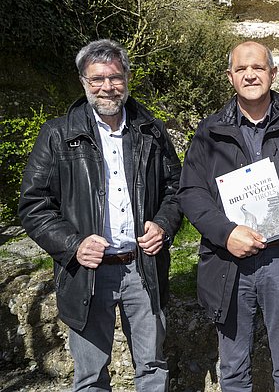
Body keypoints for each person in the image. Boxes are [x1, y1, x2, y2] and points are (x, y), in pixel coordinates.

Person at [178, 41, 279, 391]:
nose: (250, 75)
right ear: (230, 76)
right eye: (241, 69)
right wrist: (225, 233)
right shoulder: (209, 132)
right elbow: (191, 193)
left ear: (273, 72)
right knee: (234, 368)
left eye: (257, 67)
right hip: (230, 264)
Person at [18, 39, 182, 391]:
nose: (107, 87)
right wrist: (73, 244)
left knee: (153, 366)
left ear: (127, 78)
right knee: (91, 376)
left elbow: (176, 189)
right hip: (88, 273)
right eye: (97, 79)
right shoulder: (58, 134)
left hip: (143, 267)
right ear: (83, 82)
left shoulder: (151, 130)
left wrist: (165, 225)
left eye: (115, 77)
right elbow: (33, 205)